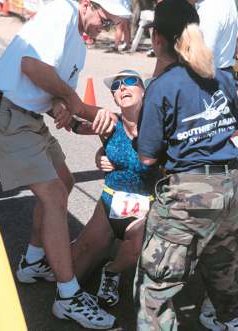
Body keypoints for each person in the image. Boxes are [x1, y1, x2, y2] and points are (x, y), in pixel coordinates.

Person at [0, 0, 132, 329]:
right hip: (11, 115)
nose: (108, 27)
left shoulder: (80, 41)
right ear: (87, 4)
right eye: (106, 18)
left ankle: (32, 261)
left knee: (65, 181)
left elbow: (52, 86)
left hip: (29, 117)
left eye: (114, 23)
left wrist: (66, 110)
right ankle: (69, 297)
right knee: (55, 194)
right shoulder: (63, 12)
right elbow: (30, 66)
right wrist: (72, 101)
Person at [134, 1, 238, 331]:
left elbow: (147, 157)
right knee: (224, 268)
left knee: (156, 285)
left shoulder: (162, 86)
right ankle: (233, 321)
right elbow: (234, 130)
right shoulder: (223, 79)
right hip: (232, 186)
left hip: (190, 194)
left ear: (157, 39)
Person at [71, 69, 159, 307]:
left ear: (144, 90)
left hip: (145, 206)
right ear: (113, 98)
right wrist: (100, 154)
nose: (122, 87)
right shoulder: (110, 123)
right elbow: (75, 126)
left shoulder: (159, 125)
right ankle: (89, 248)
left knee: (135, 249)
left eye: (130, 81)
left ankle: (112, 271)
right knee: (73, 275)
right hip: (110, 200)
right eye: (116, 86)